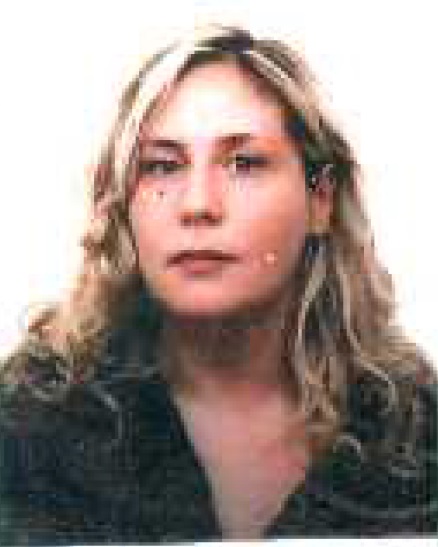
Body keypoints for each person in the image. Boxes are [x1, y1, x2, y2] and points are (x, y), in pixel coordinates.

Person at [0, 23, 437, 544]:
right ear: (121, 203)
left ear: (320, 198)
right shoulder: (29, 427)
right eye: (162, 166)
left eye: (244, 163)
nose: (198, 204)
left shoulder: (414, 434)